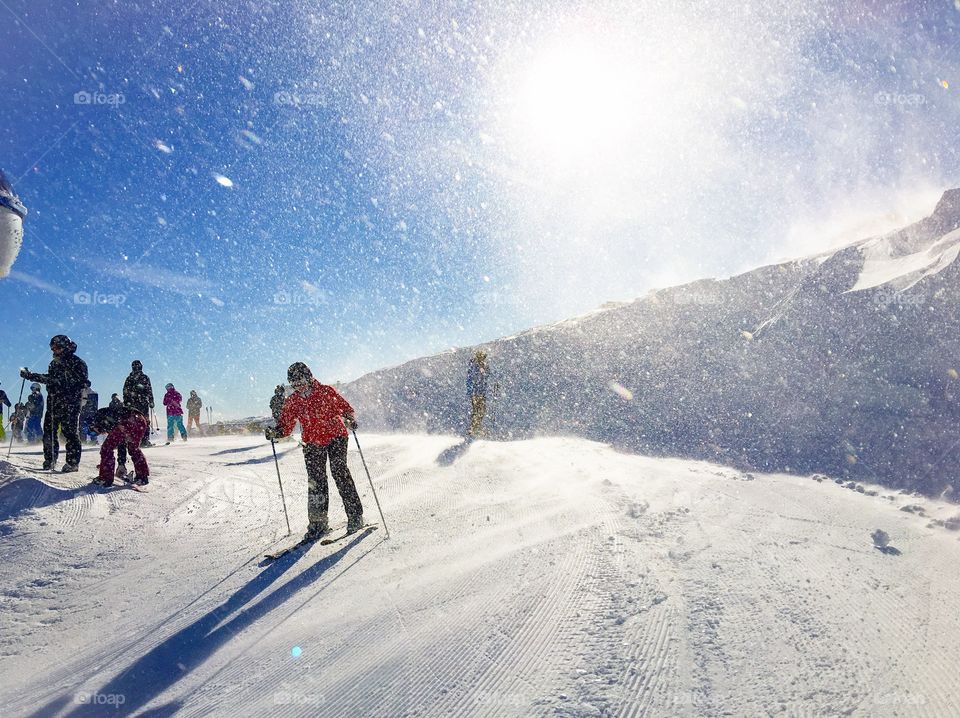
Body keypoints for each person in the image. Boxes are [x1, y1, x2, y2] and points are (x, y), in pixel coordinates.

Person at [266, 362, 364, 539]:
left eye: (301, 380)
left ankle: (355, 516)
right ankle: (318, 524)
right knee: (316, 481)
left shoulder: (326, 392)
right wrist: (276, 432)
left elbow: (346, 409)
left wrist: (349, 419)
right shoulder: (293, 401)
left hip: (336, 437)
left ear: (309, 377)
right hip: (312, 442)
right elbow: (286, 426)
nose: (299, 385)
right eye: (294, 383)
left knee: (339, 471)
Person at [21, 335, 88, 472]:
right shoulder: (54, 363)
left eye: (57, 348)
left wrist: (60, 383)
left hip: (70, 402)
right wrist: (31, 376)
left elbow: (79, 382)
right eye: (52, 348)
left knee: (69, 431)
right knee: (49, 431)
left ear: (65, 347)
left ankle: (72, 462)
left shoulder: (77, 362)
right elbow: (50, 379)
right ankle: (50, 460)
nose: (54, 350)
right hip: (54, 401)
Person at [90, 406, 149, 487]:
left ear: (94, 426)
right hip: (141, 421)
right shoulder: (109, 414)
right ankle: (142, 477)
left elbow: (118, 438)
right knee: (133, 449)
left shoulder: (99, 417)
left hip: (128, 420)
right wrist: (121, 464)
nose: (99, 434)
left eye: (95, 432)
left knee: (106, 448)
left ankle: (105, 478)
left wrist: (106, 467)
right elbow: (121, 442)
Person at [123, 360, 154, 447]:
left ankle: (138, 440)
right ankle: (141, 440)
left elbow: (125, 391)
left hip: (136, 403)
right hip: (138, 403)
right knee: (142, 421)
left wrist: (127, 402)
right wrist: (151, 400)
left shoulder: (130, 378)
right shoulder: (142, 378)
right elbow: (149, 390)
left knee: (138, 421)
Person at [466, 349, 491, 438]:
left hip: (478, 392)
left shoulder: (477, 365)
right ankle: (474, 430)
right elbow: (477, 377)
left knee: (479, 411)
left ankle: (474, 428)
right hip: (477, 392)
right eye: (483, 357)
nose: (484, 359)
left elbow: (486, 376)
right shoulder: (475, 366)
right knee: (479, 411)